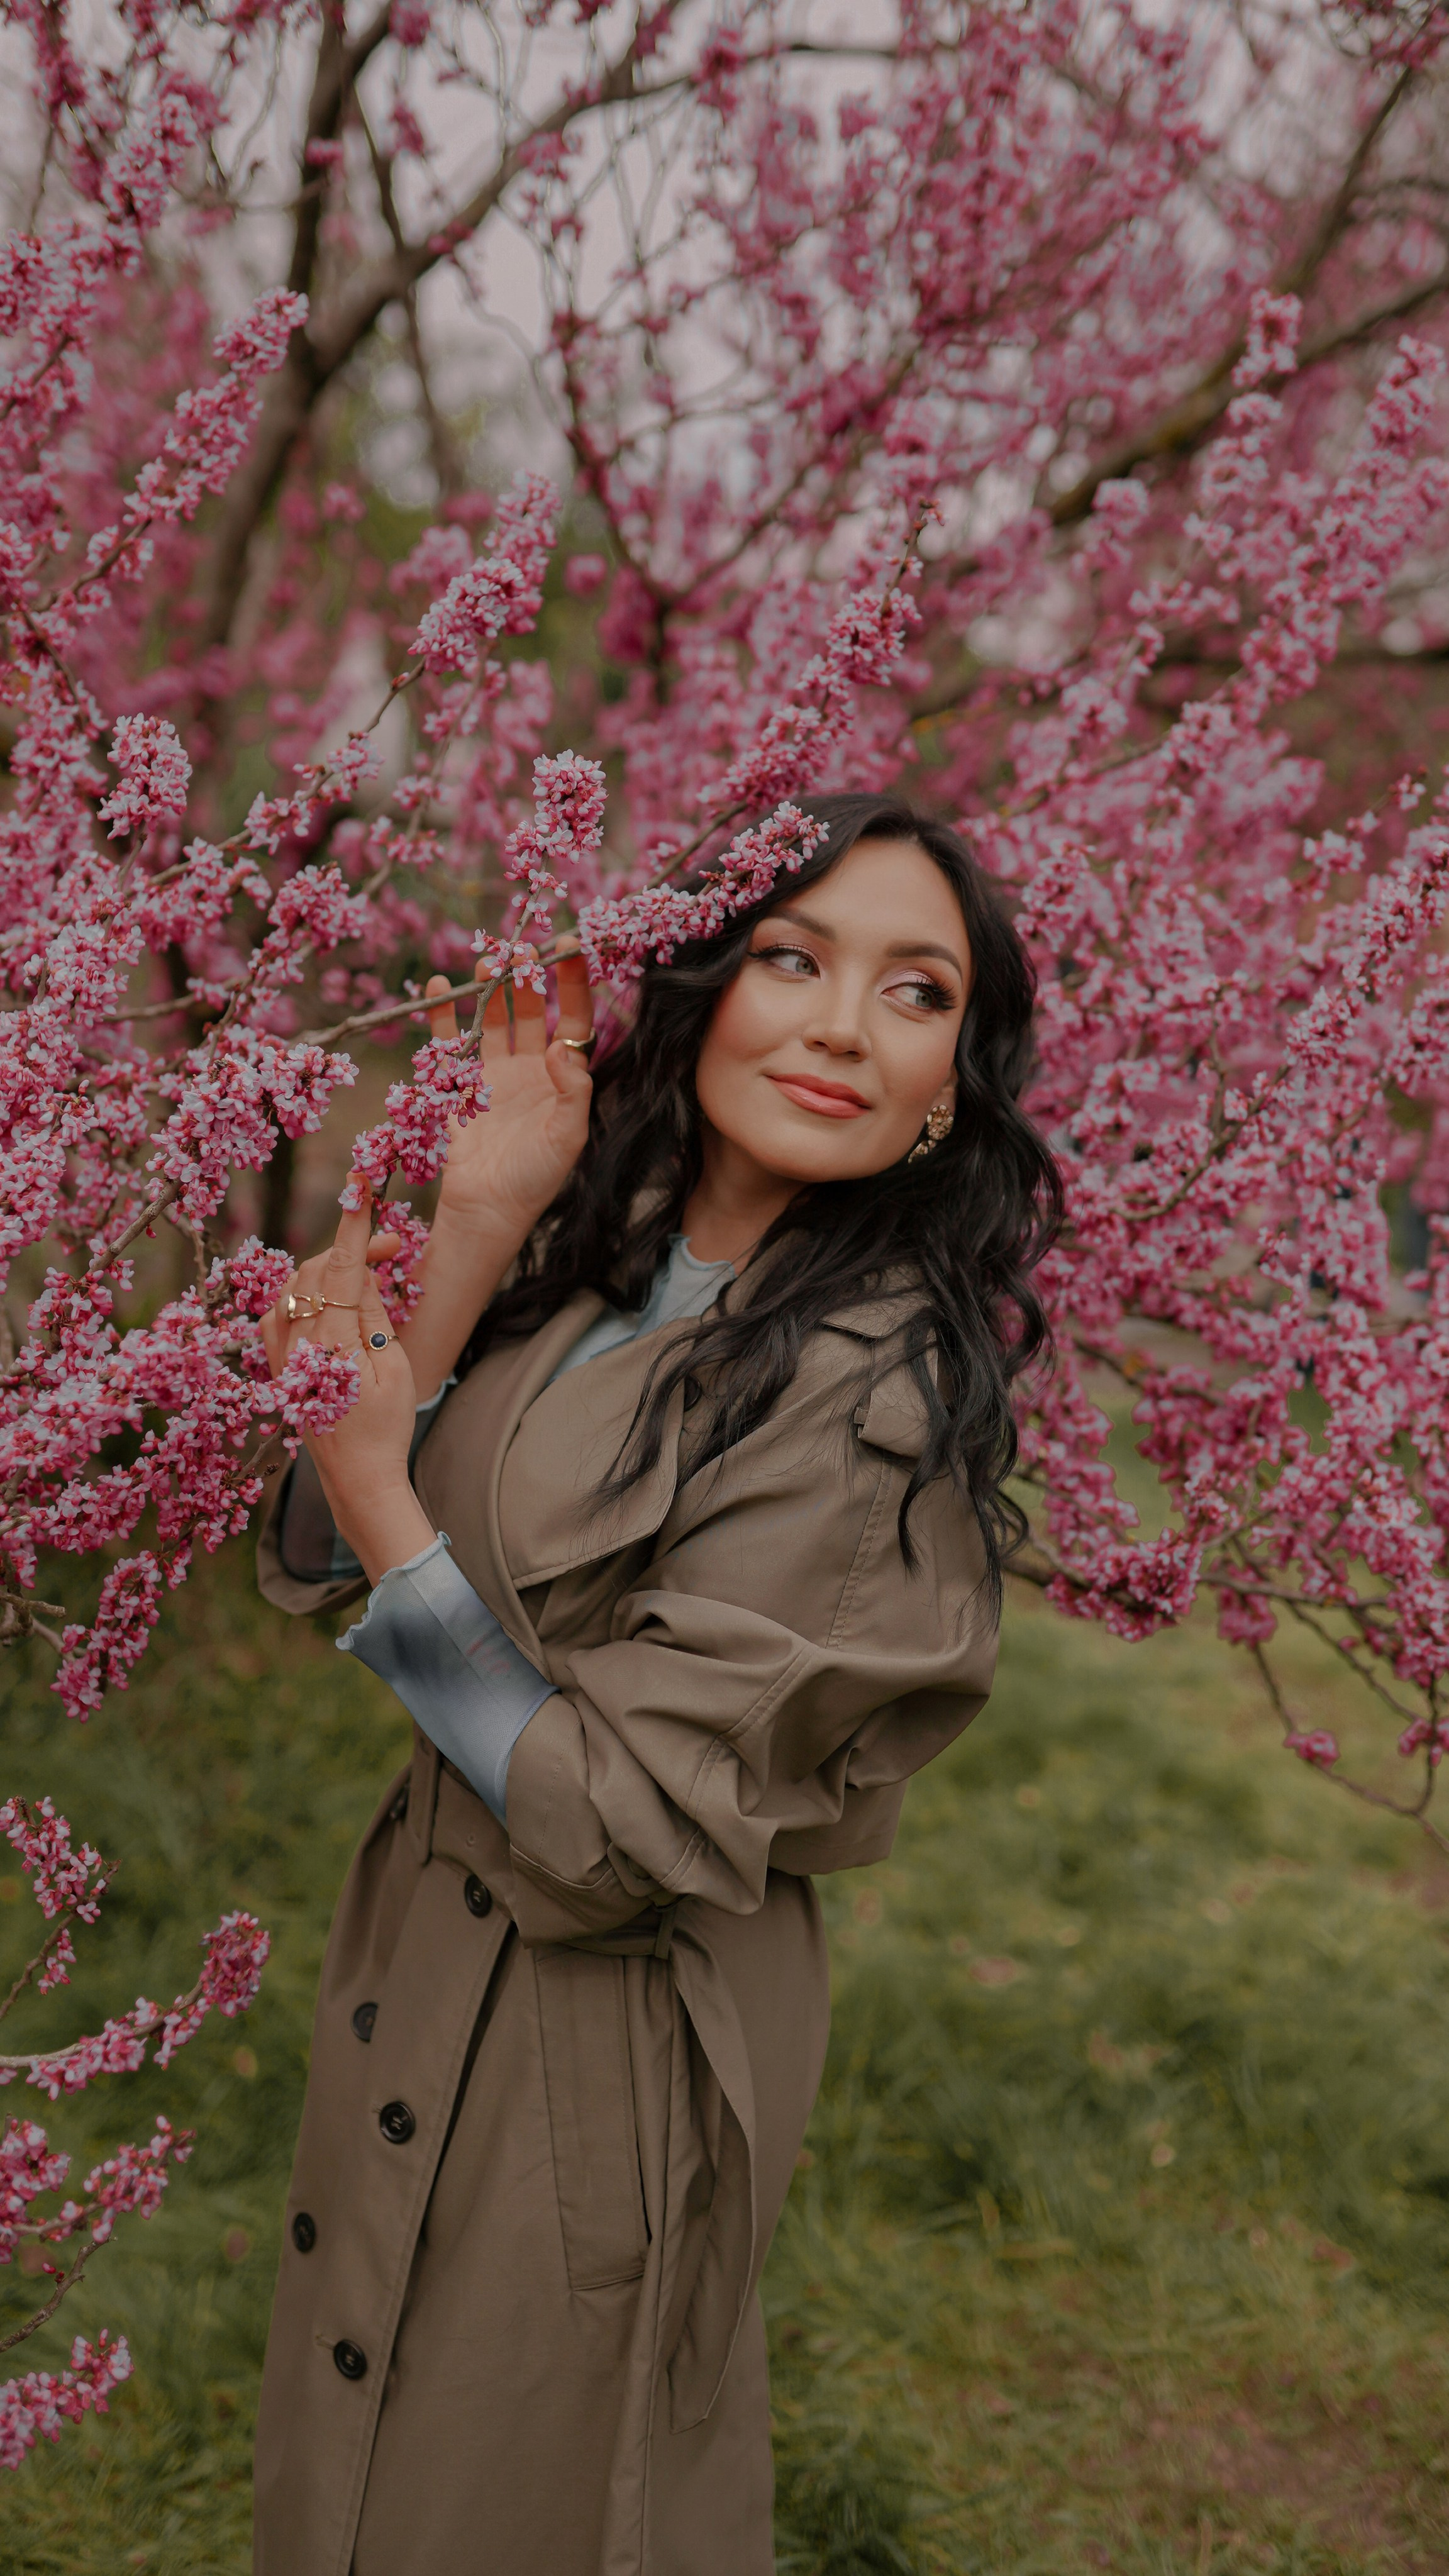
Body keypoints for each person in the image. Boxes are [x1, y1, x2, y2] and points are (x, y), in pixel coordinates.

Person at [250, 791, 1057, 2576]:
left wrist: (391, 1502)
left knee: (512, 2500)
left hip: (596, 2039)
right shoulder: (600, 1272)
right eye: (794, 957)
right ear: (708, 986)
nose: (840, 1024)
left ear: (952, 1085)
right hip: (423, 1963)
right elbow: (314, 1533)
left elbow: (610, 1829)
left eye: (912, 992)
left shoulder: (873, 1397)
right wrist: (474, 1225)